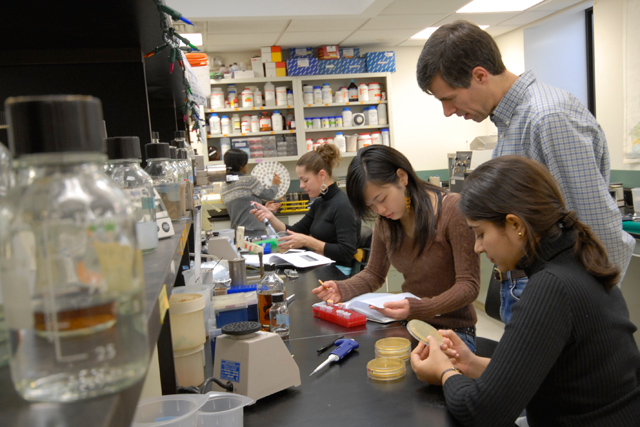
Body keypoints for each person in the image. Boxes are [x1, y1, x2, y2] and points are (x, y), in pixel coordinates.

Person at [416, 19, 635, 323]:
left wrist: (589, 313)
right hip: (527, 285)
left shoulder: (547, 118)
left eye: (449, 98)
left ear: (479, 75)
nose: (448, 111)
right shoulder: (511, 122)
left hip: (557, 296)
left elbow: (599, 232)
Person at [411, 155, 640, 426]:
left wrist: (444, 372)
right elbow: (552, 378)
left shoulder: (551, 287)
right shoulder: (580, 260)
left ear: (516, 225)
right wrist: (470, 364)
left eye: (481, 233)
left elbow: (481, 413)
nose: (477, 247)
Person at [312, 145, 480, 351]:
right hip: (411, 325)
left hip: (453, 332)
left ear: (402, 177)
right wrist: (342, 288)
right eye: (371, 206)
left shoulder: (453, 211)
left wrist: (420, 308)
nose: (380, 210)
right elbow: (374, 274)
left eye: (381, 199)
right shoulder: (386, 222)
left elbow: (469, 286)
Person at [250, 144, 358, 274]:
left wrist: (308, 241)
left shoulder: (342, 205)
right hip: (321, 266)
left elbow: (346, 252)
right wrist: (270, 216)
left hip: (338, 273)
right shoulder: (320, 203)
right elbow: (294, 231)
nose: (301, 185)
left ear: (322, 175)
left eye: (305, 180)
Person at [221, 148, 280, 232]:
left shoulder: (224, 187)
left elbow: (242, 207)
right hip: (255, 233)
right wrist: (275, 184)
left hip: (238, 234)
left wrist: (263, 208)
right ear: (241, 166)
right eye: (246, 164)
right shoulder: (248, 180)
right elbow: (270, 195)